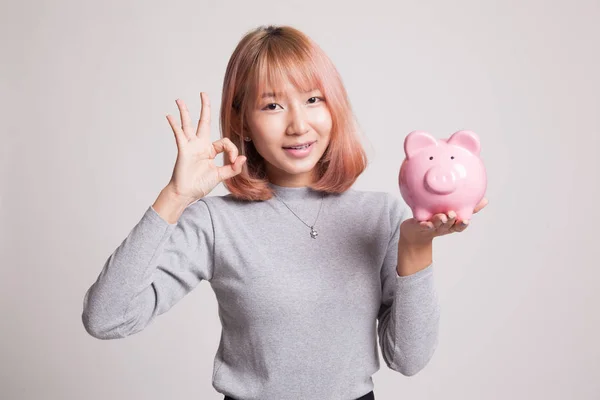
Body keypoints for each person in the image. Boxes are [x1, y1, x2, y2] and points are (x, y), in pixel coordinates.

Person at [82, 25, 487, 400]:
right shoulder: (215, 223)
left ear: (334, 108)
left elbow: (409, 359)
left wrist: (417, 248)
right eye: (273, 105)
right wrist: (174, 196)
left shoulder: (379, 216)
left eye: (313, 100)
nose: (298, 125)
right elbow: (107, 318)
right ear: (242, 121)